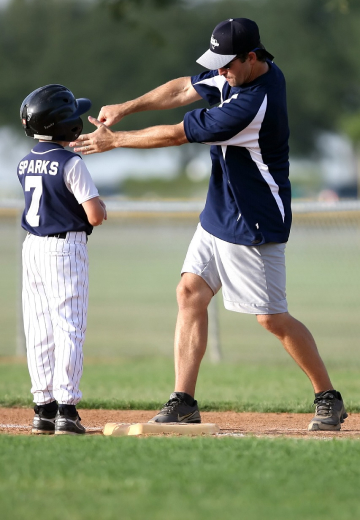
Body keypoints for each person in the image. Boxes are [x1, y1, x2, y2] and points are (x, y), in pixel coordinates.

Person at [70, 18, 347, 431]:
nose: (220, 72)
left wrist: (117, 140)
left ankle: (328, 397)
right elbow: (184, 87)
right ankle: (183, 401)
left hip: (254, 220)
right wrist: (126, 107)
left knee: (271, 318)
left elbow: (177, 135)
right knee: (189, 291)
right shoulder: (238, 75)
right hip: (220, 210)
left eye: (227, 64)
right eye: (216, 64)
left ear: (252, 58)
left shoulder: (251, 105)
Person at [18, 84, 107, 435]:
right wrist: (100, 207)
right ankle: (67, 411)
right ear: (66, 127)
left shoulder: (26, 161)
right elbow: (95, 214)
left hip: (33, 248)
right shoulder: (71, 162)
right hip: (64, 249)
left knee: (39, 327)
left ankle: (43, 408)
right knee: (69, 325)